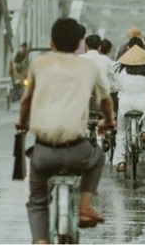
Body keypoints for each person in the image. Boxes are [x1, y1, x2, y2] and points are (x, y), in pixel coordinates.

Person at [15, 18, 114, 244]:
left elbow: (25, 102)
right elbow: (106, 101)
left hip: (44, 153)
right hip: (77, 150)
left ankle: (40, 240)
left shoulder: (39, 64)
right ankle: (85, 207)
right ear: (80, 44)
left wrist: (21, 122)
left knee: (37, 201)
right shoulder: (88, 66)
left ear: (51, 42)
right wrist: (109, 122)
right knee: (98, 157)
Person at [112, 45, 145, 172]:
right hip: (142, 104)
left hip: (125, 104)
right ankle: (144, 131)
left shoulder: (121, 72)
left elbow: (115, 87)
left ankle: (120, 162)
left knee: (121, 133)